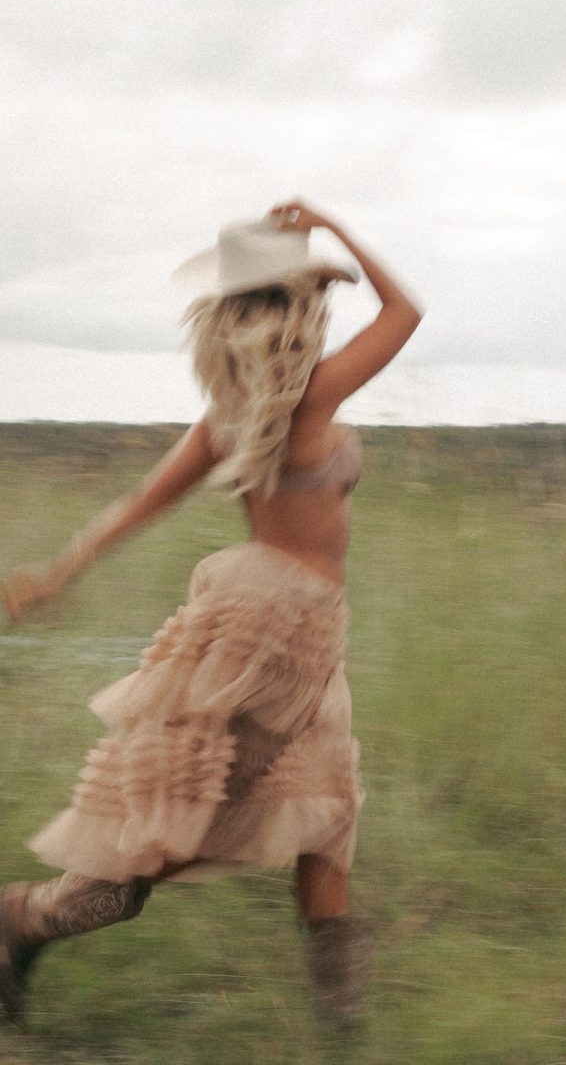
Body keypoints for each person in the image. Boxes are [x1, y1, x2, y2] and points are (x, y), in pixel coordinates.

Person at [0, 200, 422, 1027]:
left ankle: (340, 1017)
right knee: (174, 834)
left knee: (326, 809)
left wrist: (61, 570)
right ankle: (22, 919)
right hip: (272, 636)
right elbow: (406, 311)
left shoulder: (234, 414)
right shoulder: (313, 395)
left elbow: (140, 504)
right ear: (297, 301)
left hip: (289, 635)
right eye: (311, 290)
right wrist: (334, 224)